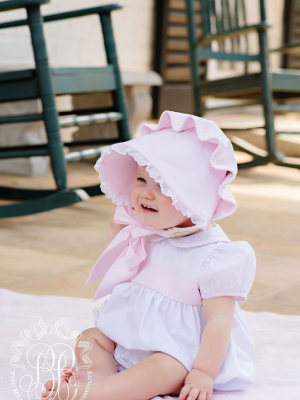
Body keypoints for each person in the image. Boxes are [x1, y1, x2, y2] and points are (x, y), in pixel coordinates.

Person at [42, 111, 256, 400]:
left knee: (163, 368)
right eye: (141, 179)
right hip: (135, 336)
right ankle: (100, 378)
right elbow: (117, 253)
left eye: (162, 187)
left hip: (183, 353)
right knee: (89, 338)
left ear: (193, 197)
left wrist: (203, 372)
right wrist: (118, 224)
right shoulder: (144, 231)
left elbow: (220, 322)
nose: (146, 193)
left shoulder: (215, 256)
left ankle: (95, 393)